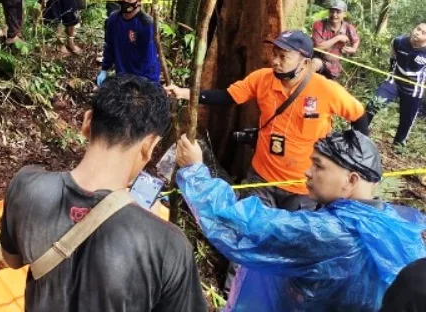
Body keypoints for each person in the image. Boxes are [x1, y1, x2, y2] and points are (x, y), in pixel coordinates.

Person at [0, 74, 206, 311]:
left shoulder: (24, 186)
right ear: (149, 146)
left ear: (87, 122)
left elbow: (12, 260)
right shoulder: (169, 245)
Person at [176, 130, 426, 311]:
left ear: (351, 180)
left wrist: (195, 172)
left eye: (318, 166)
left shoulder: (332, 233)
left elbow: (247, 226)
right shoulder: (394, 224)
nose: (307, 172)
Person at [167, 30, 368, 211]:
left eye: (283, 57)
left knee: (288, 238)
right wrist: (185, 93)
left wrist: (355, 160)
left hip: (303, 186)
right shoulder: (262, 79)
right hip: (261, 178)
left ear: (304, 63)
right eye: (274, 54)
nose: (275, 61)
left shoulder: (325, 90)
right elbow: (228, 97)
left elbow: (358, 116)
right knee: (247, 227)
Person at [367, 22, 426, 148]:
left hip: (414, 88)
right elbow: (392, 57)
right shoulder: (398, 41)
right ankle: (360, 132)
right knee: (373, 104)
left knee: (406, 120)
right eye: (418, 29)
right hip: (394, 80)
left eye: (423, 33)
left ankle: (398, 145)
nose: (417, 33)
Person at [98, 0, 161, 85]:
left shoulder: (146, 24)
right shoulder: (113, 20)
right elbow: (109, 46)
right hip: (122, 76)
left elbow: (149, 59)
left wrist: (147, 84)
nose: (125, 1)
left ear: (139, 0)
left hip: (144, 78)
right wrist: (104, 68)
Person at [311, 0, 360, 80]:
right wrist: (338, 38)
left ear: (344, 14)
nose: (334, 15)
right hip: (318, 58)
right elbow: (318, 46)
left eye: (338, 12)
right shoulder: (319, 25)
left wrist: (353, 49)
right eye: (331, 11)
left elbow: (356, 40)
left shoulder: (348, 28)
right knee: (315, 64)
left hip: (334, 66)